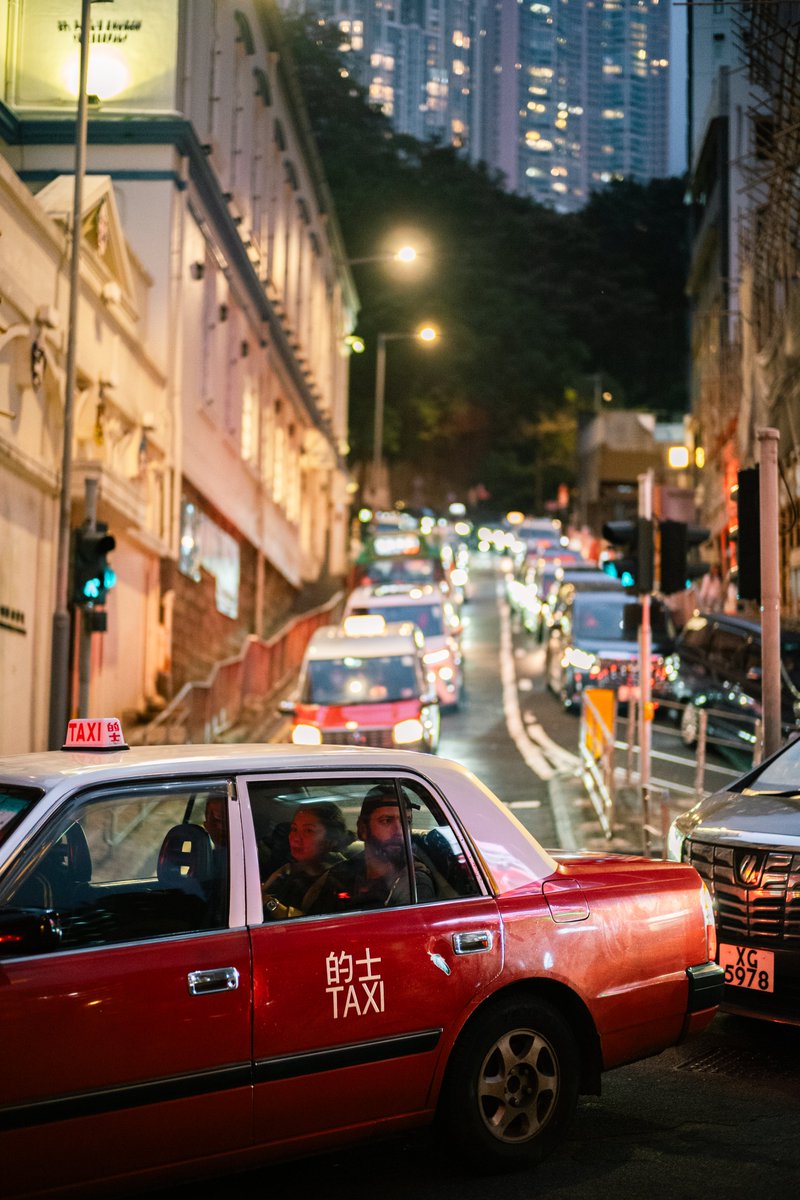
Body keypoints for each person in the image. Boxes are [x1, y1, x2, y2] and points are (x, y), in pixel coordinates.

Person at [303, 784, 435, 915]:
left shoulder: (414, 884)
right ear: (363, 829)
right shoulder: (343, 873)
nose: (400, 832)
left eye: (406, 821)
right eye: (386, 821)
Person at [261, 801, 349, 919]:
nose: (296, 838)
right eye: (294, 829)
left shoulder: (341, 880)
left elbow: (315, 926)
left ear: (331, 839)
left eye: (308, 831)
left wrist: (268, 902)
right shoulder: (289, 869)